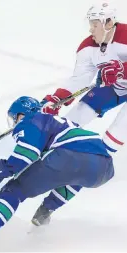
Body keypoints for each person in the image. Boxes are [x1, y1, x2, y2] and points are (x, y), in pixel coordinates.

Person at [0, 96, 114, 249]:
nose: (14, 122)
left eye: (14, 117)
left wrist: (1, 170)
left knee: (15, 190)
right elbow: (75, 167)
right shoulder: (62, 124)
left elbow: (27, 154)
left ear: (20, 114)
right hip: (103, 166)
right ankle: (44, 213)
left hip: (67, 155)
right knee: (76, 178)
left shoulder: (32, 119)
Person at [36, 2, 126, 225]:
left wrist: (124, 69)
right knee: (65, 126)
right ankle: (31, 169)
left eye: (95, 24)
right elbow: (78, 79)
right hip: (112, 89)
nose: (90, 29)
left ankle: (50, 206)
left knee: (102, 151)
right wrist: (57, 98)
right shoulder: (88, 47)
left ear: (109, 22)